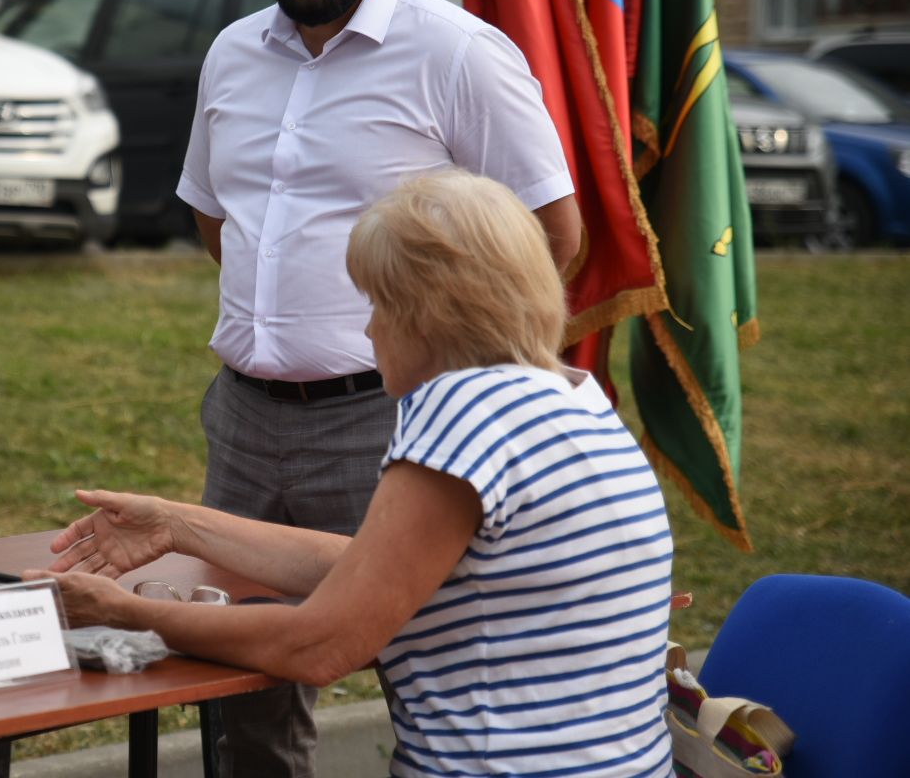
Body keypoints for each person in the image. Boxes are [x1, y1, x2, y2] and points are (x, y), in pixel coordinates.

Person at [173, 0, 581, 775]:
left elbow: (551, 239)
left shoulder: (459, 55)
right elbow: (216, 217)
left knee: (433, 669)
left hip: (396, 422)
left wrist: (447, 373)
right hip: (243, 418)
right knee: (242, 682)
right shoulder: (233, 54)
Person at [40, 169, 674, 777]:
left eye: (376, 305)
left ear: (425, 313)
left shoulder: (464, 412)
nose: (368, 329)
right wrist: (178, 525)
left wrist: (124, 613)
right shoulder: (572, 399)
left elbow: (320, 646)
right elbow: (374, 568)